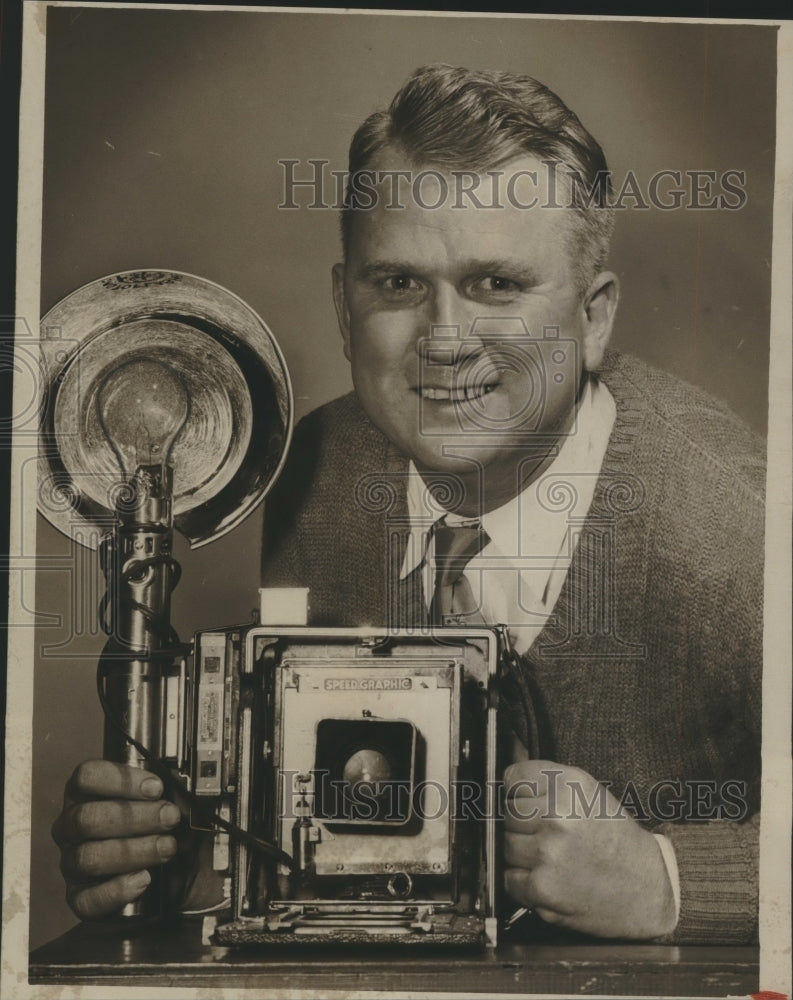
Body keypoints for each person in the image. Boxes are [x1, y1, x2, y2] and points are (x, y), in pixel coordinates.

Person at [52, 65, 763, 944]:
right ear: (345, 311)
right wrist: (185, 849)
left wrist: (667, 881)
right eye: (397, 284)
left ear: (594, 316)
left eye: (496, 285)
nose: (446, 341)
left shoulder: (734, 527)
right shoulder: (316, 468)